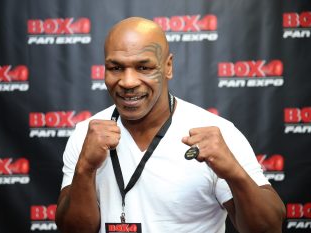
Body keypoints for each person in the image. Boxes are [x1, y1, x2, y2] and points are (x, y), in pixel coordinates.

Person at [55, 17, 286, 233]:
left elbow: (270, 227)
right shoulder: (87, 134)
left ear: (168, 66)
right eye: (116, 68)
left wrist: (235, 174)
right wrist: (85, 168)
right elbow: (72, 229)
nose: (127, 82)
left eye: (143, 67)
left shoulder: (216, 133)